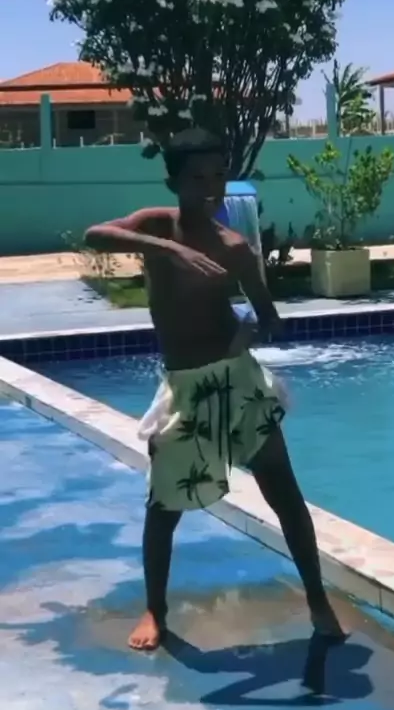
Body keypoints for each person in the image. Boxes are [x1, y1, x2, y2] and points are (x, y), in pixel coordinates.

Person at [84, 127, 345, 651]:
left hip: (238, 381)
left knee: (285, 495)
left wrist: (252, 330)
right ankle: (155, 611)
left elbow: (268, 316)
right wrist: (167, 249)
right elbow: (96, 234)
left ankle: (318, 600)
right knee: (164, 506)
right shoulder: (157, 226)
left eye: (219, 175)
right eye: (198, 177)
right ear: (174, 182)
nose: (211, 187)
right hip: (186, 388)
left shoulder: (234, 247)